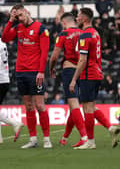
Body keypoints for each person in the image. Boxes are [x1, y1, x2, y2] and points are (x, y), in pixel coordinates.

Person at [1, 4, 52, 149]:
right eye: (16, 17)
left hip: (35, 72)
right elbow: (4, 38)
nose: (19, 19)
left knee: (40, 105)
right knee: (28, 107)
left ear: (26, 12)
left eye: (20, 15)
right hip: (21, 72)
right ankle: (33, 139)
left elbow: (44, 52)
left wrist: (41, 71)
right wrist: (11, 21)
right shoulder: (18, 28)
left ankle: (47, 139)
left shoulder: (41, 29)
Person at [69, 8, 120, 149]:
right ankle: (110, 128)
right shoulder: (95, 33)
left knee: (87, 108)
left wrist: (73, 79)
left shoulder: (85, 35)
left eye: (78, 16)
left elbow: (82, 60)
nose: (77, 18)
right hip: (97, 73)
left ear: (85, 19)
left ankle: (90, 142)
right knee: (91, 106)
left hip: (88, 74)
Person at [49, 12, 88, 147]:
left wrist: (51, 67)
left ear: (64, 22)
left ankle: (84, 137)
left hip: (69, 69)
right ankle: (64, 137)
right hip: (82, 71)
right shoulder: (83, 33)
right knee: (74, 106)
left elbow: (55, 56)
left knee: (73, 103)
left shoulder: (64, 34)